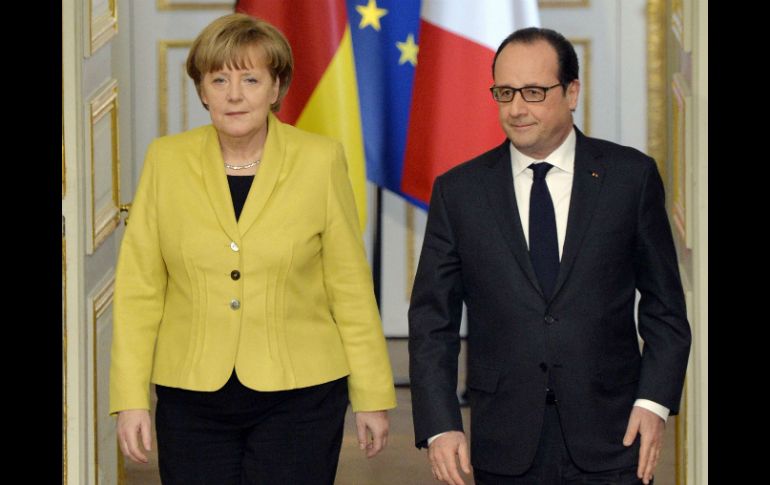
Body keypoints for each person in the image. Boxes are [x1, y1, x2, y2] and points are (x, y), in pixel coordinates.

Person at [109, 13, 396, 485]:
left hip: (301, 396)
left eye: (250, 78)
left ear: (276, 86)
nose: (234, 94)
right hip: (191, 398)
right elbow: (140, 289)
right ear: (202, 90)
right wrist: (130, 398)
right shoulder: (166, 161)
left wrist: (372, 395)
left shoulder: (320, 160)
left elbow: (348, 286)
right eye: (219, 79)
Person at [408, 27, 691, 485]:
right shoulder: (460, 191)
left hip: (615, 436)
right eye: (504, 92)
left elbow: (665, 308)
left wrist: (653, 402)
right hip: (504, 439)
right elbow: (431, 321)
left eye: (534, 92)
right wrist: (440, 424)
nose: (517, 108)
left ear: (572, 91)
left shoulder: (629, 178)